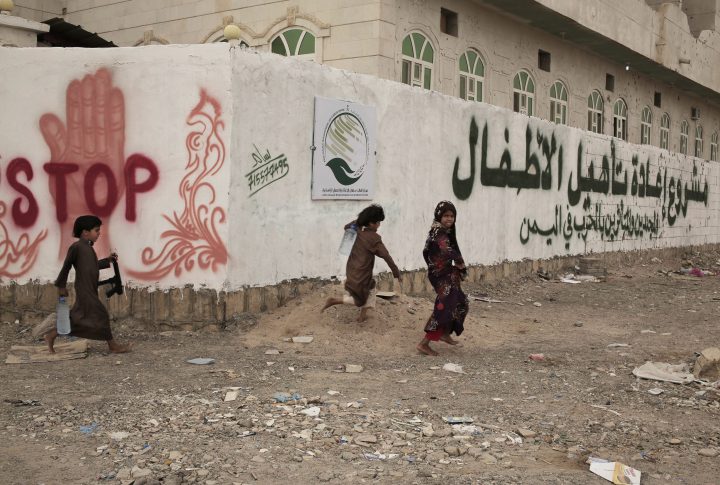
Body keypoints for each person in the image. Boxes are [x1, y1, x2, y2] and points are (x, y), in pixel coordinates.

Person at [44, 215, 130, 354]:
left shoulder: (87, 248)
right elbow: (66, 267)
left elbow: (93, 266)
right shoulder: (77, 247)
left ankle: (52, 335)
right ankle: (113, 346)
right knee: (101, 314)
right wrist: (61, 286)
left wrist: (107, 260)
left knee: (78, 317)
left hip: (90, 287)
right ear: (85, 232)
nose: (99, 233)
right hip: (84, 289)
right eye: (96, 230)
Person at [322, 204, 401, 322]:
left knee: (371, 287)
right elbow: (386, 256)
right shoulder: (374, 238)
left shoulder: (357, 229)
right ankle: (334, 301)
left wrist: (359, 221)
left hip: (352, 270)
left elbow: (346, 226)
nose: (379, 225)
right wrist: (396, 273)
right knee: (359, 301)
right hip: (362, 274)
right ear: (370, 223)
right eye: (378, 222)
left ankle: (362, 317)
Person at [417, 201, 469, 356]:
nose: (449, 219)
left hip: (448, 273)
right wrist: (460, 264)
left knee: (461, 302)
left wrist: (458, 267)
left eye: (452, 216)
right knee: (443, 307)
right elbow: (447, 251)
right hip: (440, 276)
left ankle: (445, 332)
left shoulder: (447, 231)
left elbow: (452, 248)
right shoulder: (438, 232)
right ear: (439, 216)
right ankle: (424, 344)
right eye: (446, 215)